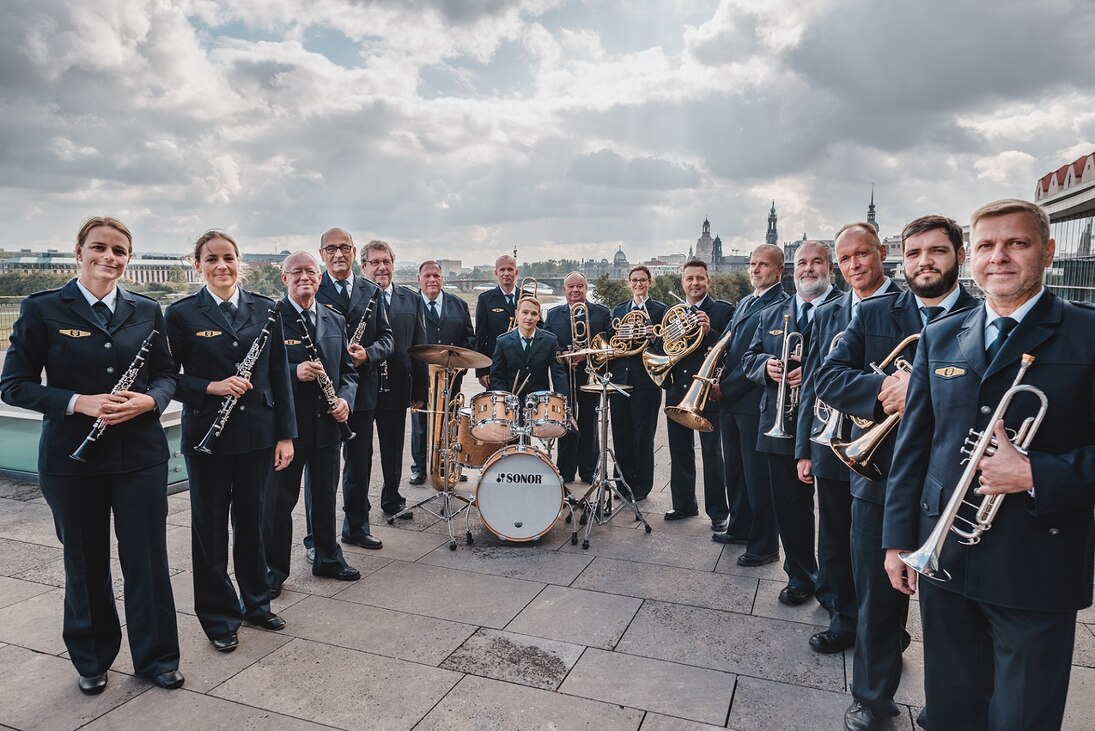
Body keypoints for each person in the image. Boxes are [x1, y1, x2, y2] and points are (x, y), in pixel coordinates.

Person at [882, 200, 1092, 731]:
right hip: (945, 558)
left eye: (1016, 244)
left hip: (1037, 564)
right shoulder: (941, 335)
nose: (999, 256)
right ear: (972, 257)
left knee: (1023, 716)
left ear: (1047, 253)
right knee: (952, 709)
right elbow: (915, 447)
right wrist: (896, 540)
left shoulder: (1088, 333)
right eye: (986, 246)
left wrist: (1035, 473)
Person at [0, 216, 184, 694]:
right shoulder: (42, 309)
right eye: (99, 247)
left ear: (128, 257)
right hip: (71, 460)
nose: (110, 257)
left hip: (140, 455)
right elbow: (14, 385)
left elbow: (166, 375)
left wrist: (152, 400)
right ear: (79, 250)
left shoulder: (147, 310)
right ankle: (92, 657)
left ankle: (158, 658)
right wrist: (78, 402)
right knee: (85, 561)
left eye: (119, 250)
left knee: (146, 559)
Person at [817, 215, 975, 731]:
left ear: (959, 255)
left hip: (953, 485)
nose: (925, 262)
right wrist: (884, 392)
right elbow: (828, 377)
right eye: (914, 253)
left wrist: (924, 388)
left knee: (951, 611)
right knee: (876, 601)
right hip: (879, 476)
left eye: (937, 251)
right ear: (900, 259)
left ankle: (948, 702)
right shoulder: (876, 312)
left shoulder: (986, 314)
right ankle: (871, 696)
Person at [165, 230, 295, 654]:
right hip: (208, 437)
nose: (221, 265)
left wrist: (285, 435)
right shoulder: (182, 314)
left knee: (255, 525)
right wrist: (212, 387)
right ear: (197, 264)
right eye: (211, 259)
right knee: (210, 531)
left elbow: (280, 376)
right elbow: (167, 379)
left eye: (228, 257)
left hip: (259, 436)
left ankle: (255, 603)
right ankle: (218, 617)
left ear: (241, 262)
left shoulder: (266, 308)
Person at [794, 224, 893, 656]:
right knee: (834, 538)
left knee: (878, 547)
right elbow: (814, 384)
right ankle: (843, 617)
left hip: (884, 448)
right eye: (847, 259)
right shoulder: (829, 312)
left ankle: (885, 629)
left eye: (862, 256)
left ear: (882, 254)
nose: (855, 265)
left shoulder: (907, 307)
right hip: (832, 444)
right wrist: (803, 448)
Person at [742, 241, 840, 605]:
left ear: (830, 268)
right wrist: (766, 367)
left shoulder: (845, 309)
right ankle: (801, 575)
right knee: (789, 505)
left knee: (834, 514)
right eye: (802, 263)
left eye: (817, 262)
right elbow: (749, 358)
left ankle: (835, 587)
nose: (808, 269)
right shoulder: (772, 313)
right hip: (779, 422)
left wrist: (813, 375)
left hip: (829, 426)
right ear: (791, 269)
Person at [266, 252, 359, 597]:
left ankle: (328, 558)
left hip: (327, 428)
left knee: (324, 497)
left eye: (310, 272)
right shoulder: (272, 317)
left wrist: (346, 400)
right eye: (297, 272)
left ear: (319, 279)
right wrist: (295, 372)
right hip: (288, 430)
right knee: (279, 504)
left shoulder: (333, 319)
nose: (305, 277)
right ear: (284, 279)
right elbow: (262, 374)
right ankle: (273, 570)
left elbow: (348, 372)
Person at [315, 227, 393, 551]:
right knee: (324, 472)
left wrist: (367, 355)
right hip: (323, 394)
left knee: (360, 463)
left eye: (344, 248)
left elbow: (387, 338)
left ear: (353, 250)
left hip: (362, 392)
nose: (338, 254)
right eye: (330, 249)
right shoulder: (314, 288)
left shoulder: (371, 290)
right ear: (322, 255)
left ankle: (356, 527)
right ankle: (318, 539)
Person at [713, 244, 788, 563]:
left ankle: (764, 545)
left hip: (754, 402)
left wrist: (725, 387)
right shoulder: (745, 301)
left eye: (763, 265)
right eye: (753, 264)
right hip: (731, 401)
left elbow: (761, 358)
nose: (756, 270)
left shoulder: (782, 306)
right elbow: (728, 347)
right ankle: (740, 526)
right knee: (736, 472)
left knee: (758, 478)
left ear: (779, 271)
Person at [659, 259, 733, 527]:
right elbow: (663, 348)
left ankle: (718, 513)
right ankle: (684, 505)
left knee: (713, 456)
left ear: (708, 281)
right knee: (679, 452)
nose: (695, 283)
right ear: (683, 283)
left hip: (707, 392)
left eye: (700, 278)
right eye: (689, 279)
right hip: (679, 390)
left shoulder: (723, 311)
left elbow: (730, 348)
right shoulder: (673, 313)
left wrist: (708, 330)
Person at [361, 240, 427, 517]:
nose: (381, 267)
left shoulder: (411, 298)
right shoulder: (356, 297)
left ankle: (392, 500)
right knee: (360, 453)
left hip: (398, 385)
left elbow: (419, 346)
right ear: (363, 266)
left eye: (386, 261)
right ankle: (357, 506)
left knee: (393, 447)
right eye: (375, 262)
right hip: (363, 388)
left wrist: (420, 390)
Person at [410, 260, 476, 484]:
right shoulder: (411, 304)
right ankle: (420, 468)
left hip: (451, 376)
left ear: (442, 279)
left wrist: (462, 363)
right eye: (427, 276)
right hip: (421, 375)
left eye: (436, 276)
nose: (432, 280)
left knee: (452, 422)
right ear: (419, 279)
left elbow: (469, 338)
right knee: (421, 424)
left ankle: (451, 465)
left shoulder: (458, 304)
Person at [545, 272, 612, 484]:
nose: (575, 290)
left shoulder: (601, 313)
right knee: (566, 422)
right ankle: (564, 471)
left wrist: (588, 352)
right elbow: (547, 345)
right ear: (564, 290)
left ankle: (589, 470)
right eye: (571, 287)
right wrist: (563, 356)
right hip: (563, 378)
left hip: (590, 375)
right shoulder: (553, 315)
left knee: (590, 424)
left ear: (586, 288)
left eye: (580, 286)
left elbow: (609, 345)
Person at [608, 265, 667, 500]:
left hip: (647, 380)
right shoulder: (619, 310)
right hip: (620, 380)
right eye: (634, 280)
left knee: (643, 434)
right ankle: (622, 484)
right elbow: (612, 344)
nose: (638, 284)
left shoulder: (660, 311)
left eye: (643, 280)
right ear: (628, 283)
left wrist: (655, 338)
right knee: (621, 433)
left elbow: (668, 349)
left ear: (650, 283)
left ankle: (641, 487)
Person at [490, 296, 569, 401]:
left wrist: (564, 408)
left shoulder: (550, 341)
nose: (529, 317)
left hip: (540, 403)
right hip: (510, 405)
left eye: (534, 314)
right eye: (525, 312)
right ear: (517, 314)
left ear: (539, 317)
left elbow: (559, 377)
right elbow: (496, 377)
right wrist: (504, 400)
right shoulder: (502, 341)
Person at [475, 255, 522, 387]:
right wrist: (481, 370)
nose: (506, 273)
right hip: (496, 366)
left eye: (510, 269)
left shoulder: (527, 296)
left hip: (523, 366)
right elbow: (480, 337)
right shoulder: (485, 299)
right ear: (496, 273)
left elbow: (539, 327)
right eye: (502, 270)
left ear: (516, 273)